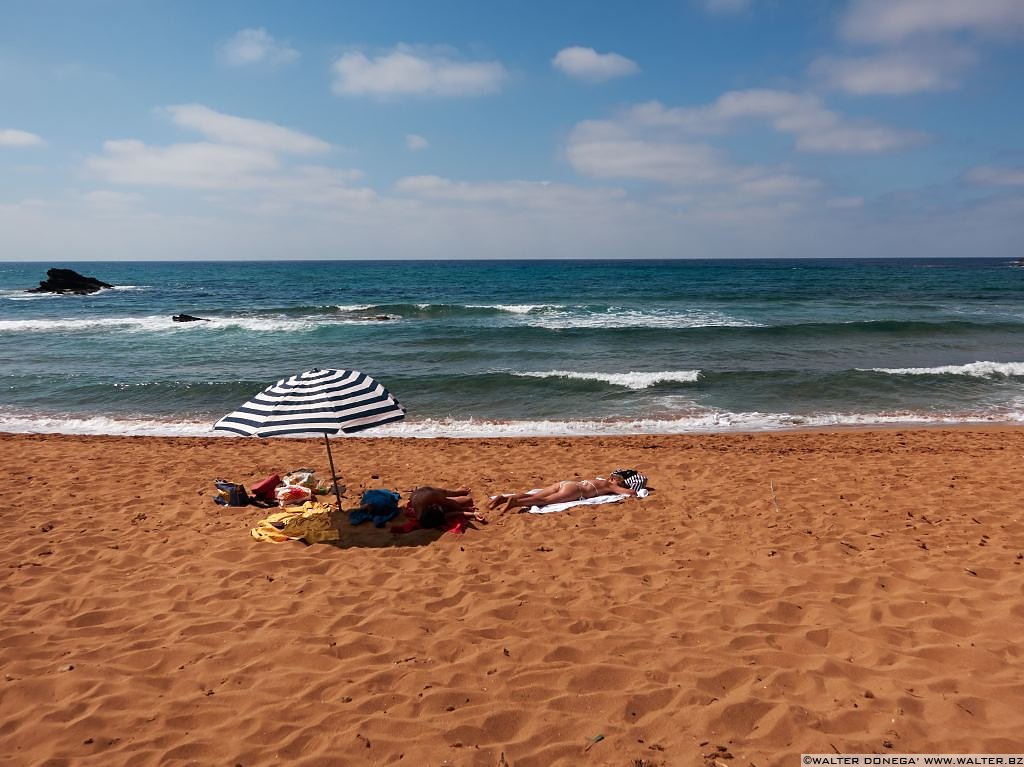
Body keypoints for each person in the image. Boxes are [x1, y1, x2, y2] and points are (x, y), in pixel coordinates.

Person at [487, 470, 640, 513]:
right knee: (545, 502)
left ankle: (503, 498)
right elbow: (630, 493)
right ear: (616, 480)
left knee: (534, 495)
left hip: (567, 483)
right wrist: (630, 488)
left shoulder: (600, 479)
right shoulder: (609, 485)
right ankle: (515, 502)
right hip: (576, 490)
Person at [408, 485, 487, 527]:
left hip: (429, 492)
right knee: (468, 500)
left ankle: (456, 492)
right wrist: (473, 514)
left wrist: (463, 508)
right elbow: (448, 515)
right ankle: (456, 492)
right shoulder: (422, 518)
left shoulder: (432, 496)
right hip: (422, 496)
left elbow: (448, 502)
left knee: (448, 493)